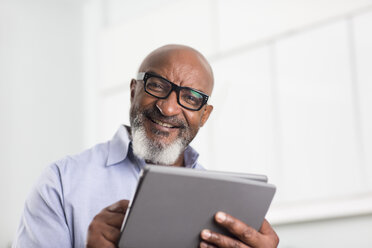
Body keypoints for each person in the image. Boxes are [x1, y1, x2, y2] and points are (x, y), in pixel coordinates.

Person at [13, 44, 279, 248]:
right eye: (156, 85)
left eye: (190, 97)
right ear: (133, 92)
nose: (168, 107)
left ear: (205, 115)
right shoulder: (60, 182)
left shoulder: (225, 204)